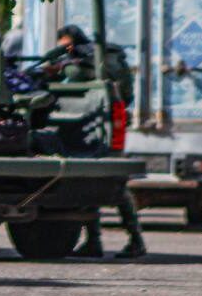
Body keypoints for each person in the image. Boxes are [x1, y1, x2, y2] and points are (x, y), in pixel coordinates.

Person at [43, 25, 145, 259]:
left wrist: (60, 68)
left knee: (116, 184)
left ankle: (134, 240)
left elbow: (79, 75)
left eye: (66, 45)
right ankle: (96, 240)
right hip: (101, 126)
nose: (64, 49)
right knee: (94, 181)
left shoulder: (88, 59)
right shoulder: (106, 55)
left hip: (101, 126)